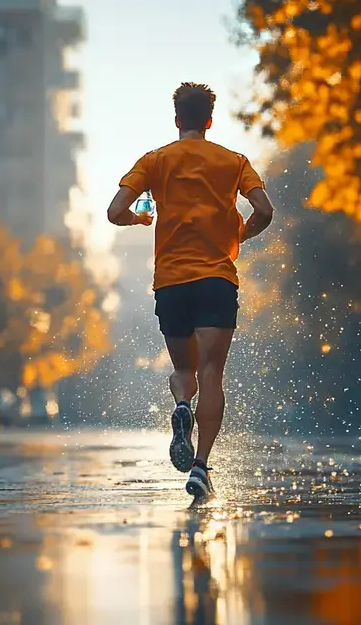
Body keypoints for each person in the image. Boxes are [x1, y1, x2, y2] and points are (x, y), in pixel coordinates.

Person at [106, 82, 275, 501]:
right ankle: (200, 468)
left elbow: (114, 212)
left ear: (178, 119)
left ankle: (182, 407)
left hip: (172, 282)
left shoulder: (155, 160)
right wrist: (241, 236)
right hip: (217, 279)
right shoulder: (233, 161)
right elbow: (265, 211)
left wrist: (139, 222)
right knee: (212, 373)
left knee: (186, 373)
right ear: (210, 120)